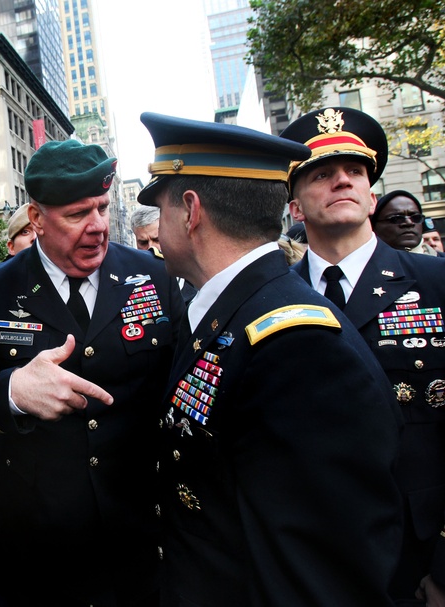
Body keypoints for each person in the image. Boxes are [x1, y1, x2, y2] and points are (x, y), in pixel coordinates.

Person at [138, 112, 402, 606]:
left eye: (161, 205)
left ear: (190, 211)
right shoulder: (230, 312)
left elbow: (320, 575)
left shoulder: (295, 344)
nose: (158, 222)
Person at [0, 139, 184, 606]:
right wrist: (12, 390)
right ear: (36, 219)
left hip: (134, 540)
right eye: (76, 215)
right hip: (32, 549)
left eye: (101, 208)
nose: (97, 227)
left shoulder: (151, 276)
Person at [281, 106, 445, 607]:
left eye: (354, 172)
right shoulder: (269, 301)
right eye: (322, 174)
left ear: (371, 195)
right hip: (312, 563)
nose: (342, 181)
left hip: (426, 561)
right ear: (295, 207)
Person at [372, 190, 439, 256]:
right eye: (397, 218)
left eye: (416, 217)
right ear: (374, 227)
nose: (409, 223)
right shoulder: (365, 265)